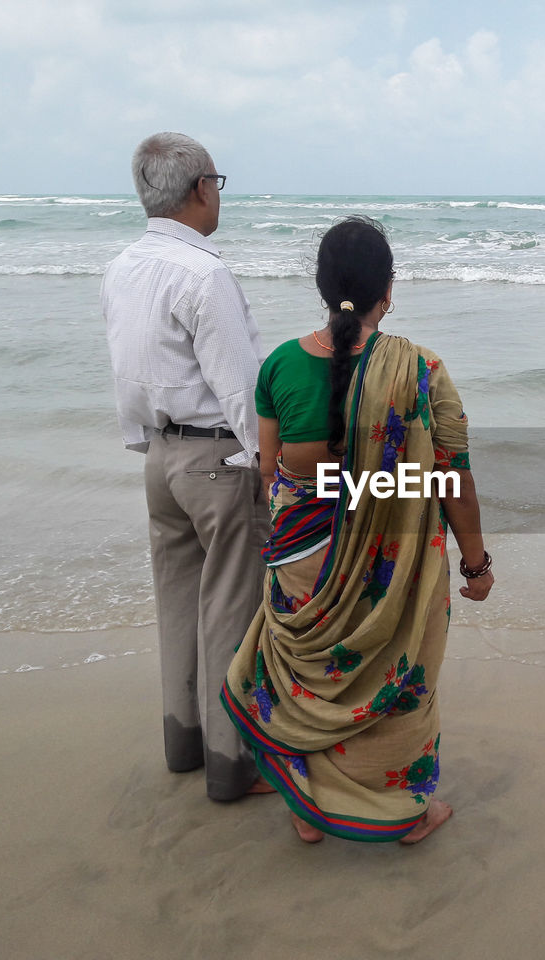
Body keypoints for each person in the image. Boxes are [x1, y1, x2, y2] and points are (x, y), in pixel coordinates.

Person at [221, 216, 493, 844]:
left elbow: (270, 469)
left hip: (302, 552)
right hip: (394, 555)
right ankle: (407, 815)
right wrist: (476, 563)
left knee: (306, 682)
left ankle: (308, 810)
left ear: (321, 287)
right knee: (398, 675)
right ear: (388, 292)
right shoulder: (420, 369)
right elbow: (454, 480)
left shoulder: (281, 365)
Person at [102, 132, 269, 801]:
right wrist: (268, 463)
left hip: (160, 454)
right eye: (218, 183)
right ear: (202, 189)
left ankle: (183, 744)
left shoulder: (121, 267)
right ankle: (232, 768)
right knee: (231, 609)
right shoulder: (204, 274)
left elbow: (127, 369)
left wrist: (147, 443)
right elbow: (239, 387)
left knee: (176, 607)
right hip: (214, 457)